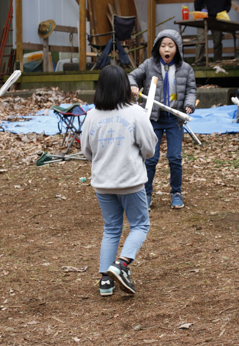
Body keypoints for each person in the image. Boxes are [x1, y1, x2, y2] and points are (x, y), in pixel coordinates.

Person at [81, 65, 158, 297]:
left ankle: (105, 281)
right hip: (131, 182)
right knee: (141, 224)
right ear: (126, 86)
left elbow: (86, 151)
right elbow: (150, 148)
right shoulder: (135, 113)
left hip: (103, 183)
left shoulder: (91, 116)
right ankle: (122, 265)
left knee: (112, 228)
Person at [129, 29, 197, 209]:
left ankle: (176, 192)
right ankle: (146, 193)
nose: (166, 49)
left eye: (171, 46)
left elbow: (191, 90)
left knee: (175, 157)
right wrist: (133, 85)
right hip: (153, 118)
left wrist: (189, 104)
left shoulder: (186, 69)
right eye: (163, 45)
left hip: (175, 119)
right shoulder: (148, 65)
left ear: (178, 48)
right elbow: (131, 76)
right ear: (157, 48)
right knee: (151, 158)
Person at [193, 0, 232, 65]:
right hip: (203, 18)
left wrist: (224, 12)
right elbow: (197, 2)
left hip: (217, 19)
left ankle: (217, 61)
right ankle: (198, 61)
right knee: (201, 39)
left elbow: (228, 4)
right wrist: (201, 11)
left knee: (218, 41)